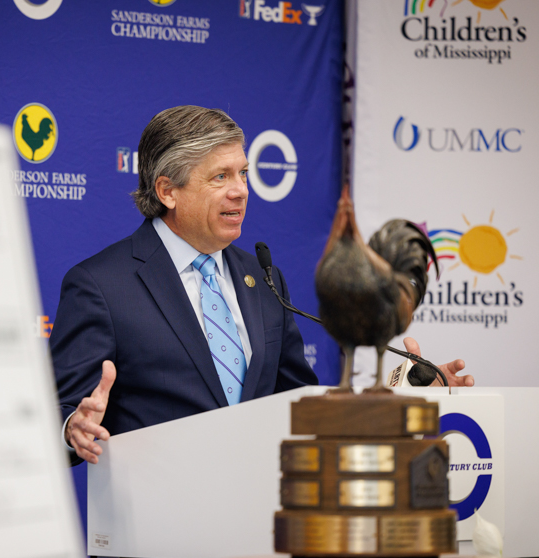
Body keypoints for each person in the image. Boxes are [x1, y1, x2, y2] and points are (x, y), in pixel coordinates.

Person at [50, 106, 473, 465]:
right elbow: (57, 411)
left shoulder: (261, 278)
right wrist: (73, 427)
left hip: (259, 531)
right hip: (153, 540)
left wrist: (404, 393)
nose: (241, 191)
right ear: (168, 191)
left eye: (244, 173)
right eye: (220, 177)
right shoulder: (101, 285)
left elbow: (301, 405)